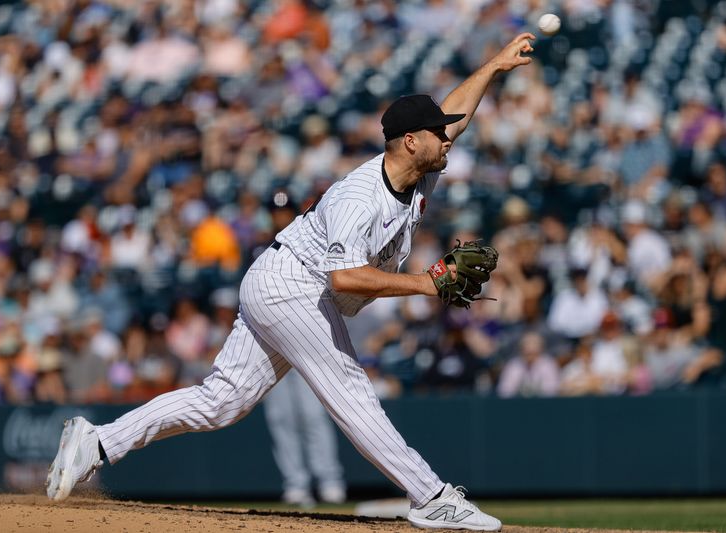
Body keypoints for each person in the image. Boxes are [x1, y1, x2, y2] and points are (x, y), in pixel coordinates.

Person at [45, 32, 536, 532]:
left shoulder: (417, 173)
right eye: (438, 133)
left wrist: (493, 67)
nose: (449, 137)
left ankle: (99, 441)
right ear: (412, 141)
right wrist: (427, 284)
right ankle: (430, 496)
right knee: (351, 392)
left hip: (283, 281)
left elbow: (456, 110)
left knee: (222, 402)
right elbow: (345, 275)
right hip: (293, 287)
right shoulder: (359, 199)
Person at [263, 368, 346, 507]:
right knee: (281, 419)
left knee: (313, 416)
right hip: (270, 353)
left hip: (306, 350)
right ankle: (295, 485)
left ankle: (330, 482)